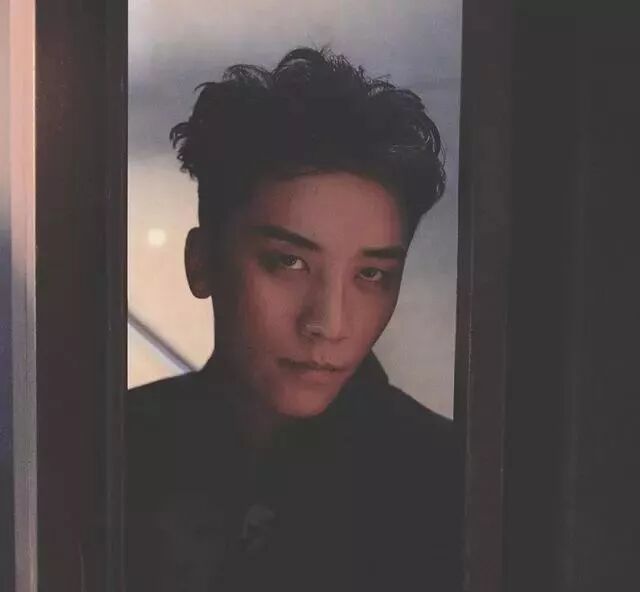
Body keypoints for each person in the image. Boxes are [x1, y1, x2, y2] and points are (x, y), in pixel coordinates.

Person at [126, 47, 462, 592]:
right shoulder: (109, 449)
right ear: (201, 261)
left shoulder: (452, 484)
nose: (329, 323)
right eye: (289, 262)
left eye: (371, 274)